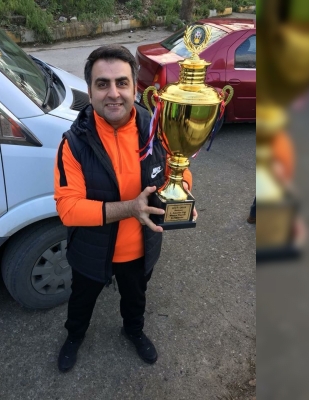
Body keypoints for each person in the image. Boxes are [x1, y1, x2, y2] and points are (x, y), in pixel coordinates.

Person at [53, 45, 196, 372]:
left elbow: (179, 171)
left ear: (135, 88)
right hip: (91, 251)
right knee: (81, 301)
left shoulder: (158, 131)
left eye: (122, 82)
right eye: (102, 84)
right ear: (90, 90)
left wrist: (182, 195)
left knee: (136, 299)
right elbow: (69, 209)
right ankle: (74, 337)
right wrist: (131, 208)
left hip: (140, 250)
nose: (113, 93)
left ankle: (133, 330)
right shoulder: (73, 143)